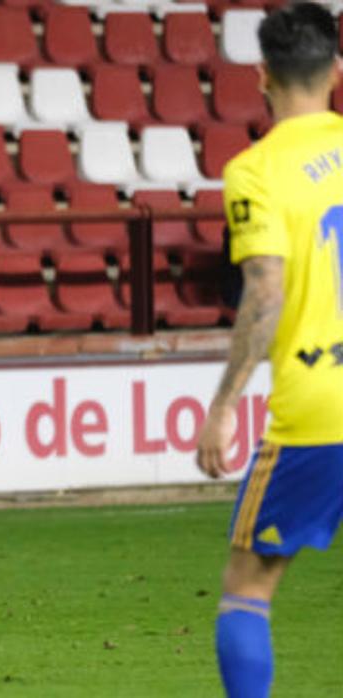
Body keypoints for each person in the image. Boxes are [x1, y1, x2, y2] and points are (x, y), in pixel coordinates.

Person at [194, 5, 343, 698]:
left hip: (320, 408)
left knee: (247, 588)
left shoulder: (256, 171)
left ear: (261, 77)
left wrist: (223, 405)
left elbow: (265, 294)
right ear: (336, 71)